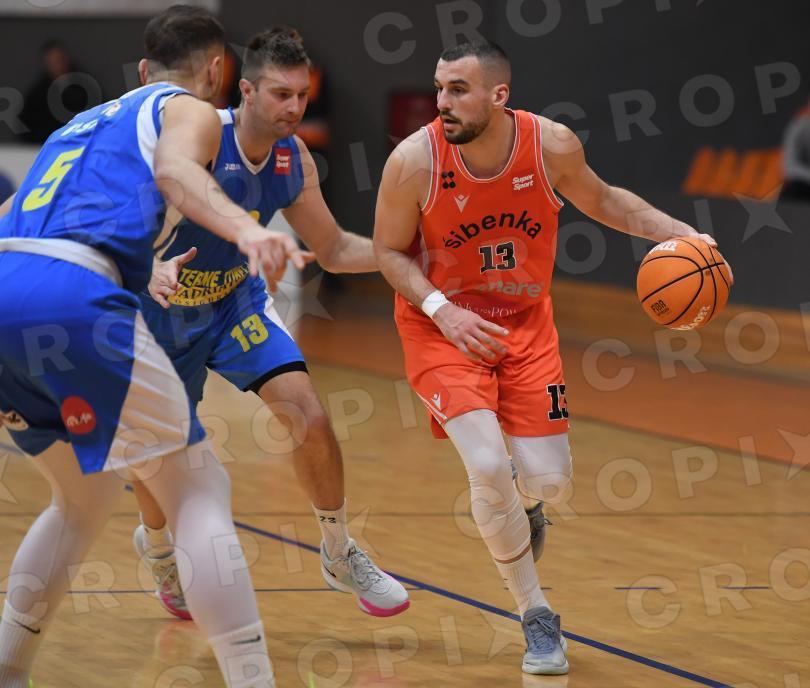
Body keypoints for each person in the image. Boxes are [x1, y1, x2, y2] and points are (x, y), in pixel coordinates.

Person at [373, 40, 724, 676]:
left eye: (458, 89)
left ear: (499, 95)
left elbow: (607, 200)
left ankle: (528, 502)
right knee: (486, 463)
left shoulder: (550, 145)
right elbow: (389, 251)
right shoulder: (414, 160)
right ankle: (536, 615)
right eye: (439, 88)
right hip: (444, 328)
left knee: (548, 482)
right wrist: (444, 312)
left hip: (525, 325)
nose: (442, 101)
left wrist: (681, 234)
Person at [0, 6, 309, 687]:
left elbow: (13, 219)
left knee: (81, 500)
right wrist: (246, 228)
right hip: (71, 295)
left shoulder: (79, 126)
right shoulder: (190, 109)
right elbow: (174, 173)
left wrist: (139, 268)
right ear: (218, 72)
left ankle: (9, 670)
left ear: (143, 67)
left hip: (6, 286)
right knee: (199, 488)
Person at [129, 27, 409, 621]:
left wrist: (408, 255)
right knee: (160, 459)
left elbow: (334, 249)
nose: (294, 107)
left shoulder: (292, 157)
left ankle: (338, 552)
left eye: (303, 95)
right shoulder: (198, 135)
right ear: (247, 91)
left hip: (234, 303)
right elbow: (122, 224)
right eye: (282, 94)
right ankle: (158, 550)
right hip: (161, 312)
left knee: (310, 416)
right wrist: (147, 265)